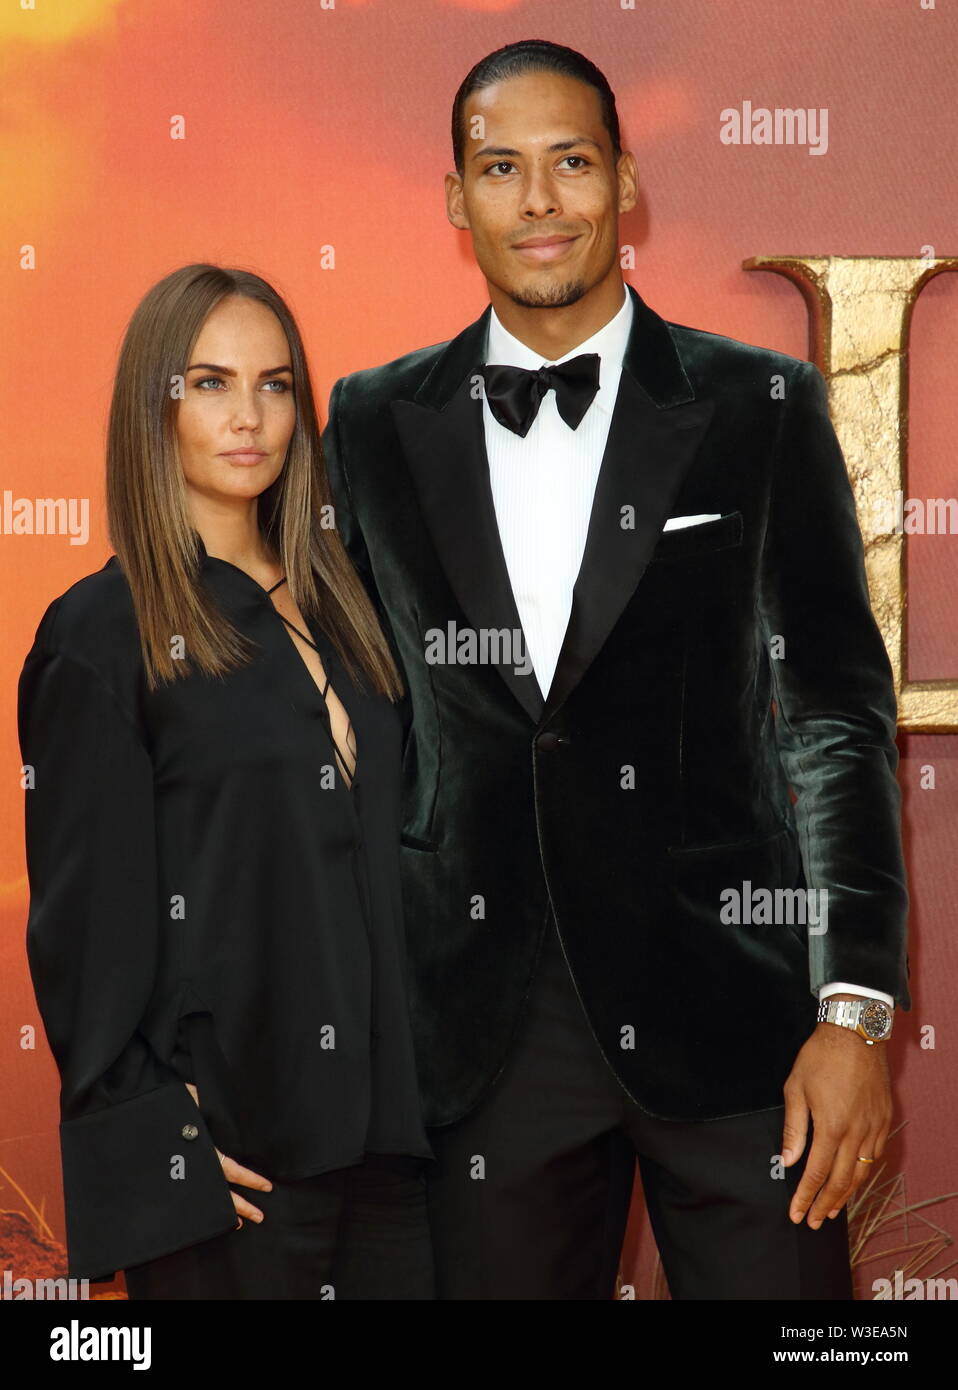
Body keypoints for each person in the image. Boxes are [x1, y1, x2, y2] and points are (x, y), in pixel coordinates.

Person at [321, 40, 911, 1299]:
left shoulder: (761, 403)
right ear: (454, 198)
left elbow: (834, 720)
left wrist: (851, 1012)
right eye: (500, 168)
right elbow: (344, 723)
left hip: (736, 1020)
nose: (538, 200)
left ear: (626, 182)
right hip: (476, 1031)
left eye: (571, 162)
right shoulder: (370, 421)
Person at [18, 264, 435, 1300]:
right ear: (151, 405)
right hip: (232, 1168)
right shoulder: (99, 637)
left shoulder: (354, 608)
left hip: (393, 1149)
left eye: (275, 383)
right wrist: (153, 1141)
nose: (249, 415)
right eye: (208, 383)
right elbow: (83, 935)